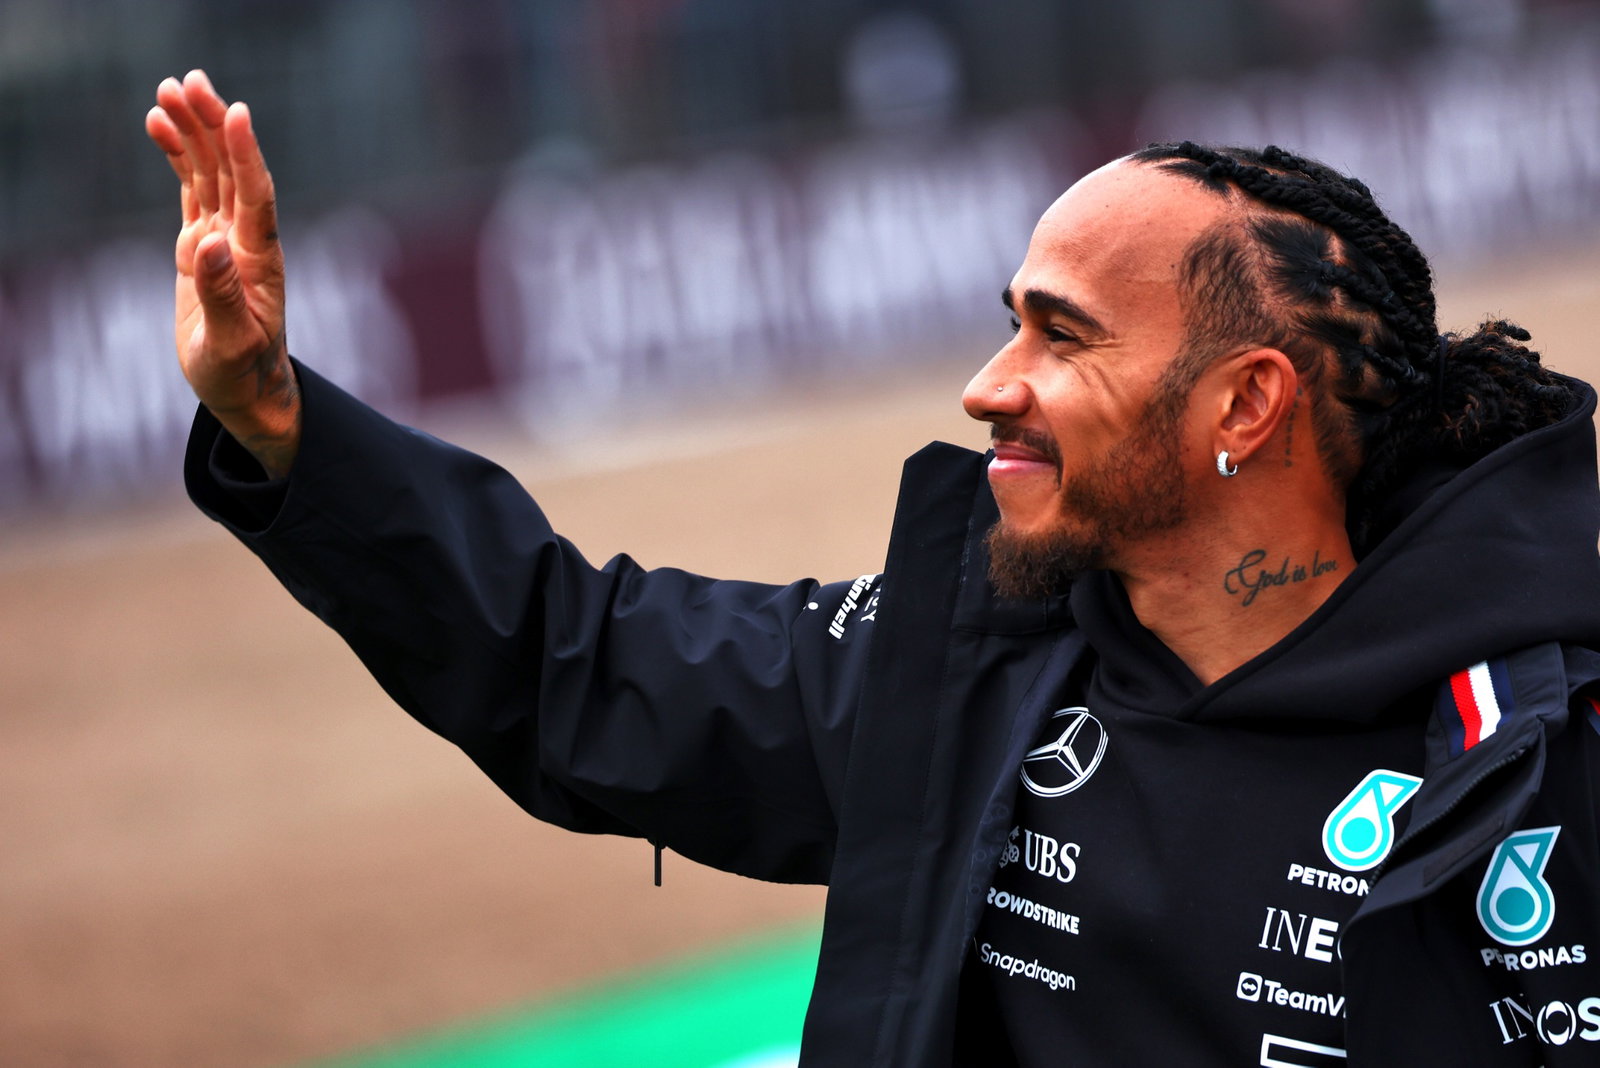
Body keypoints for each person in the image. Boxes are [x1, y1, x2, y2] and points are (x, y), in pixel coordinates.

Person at [148, 69, 1600, 1065]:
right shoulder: (970, 668)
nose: (988, 386)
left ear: (1246, 405)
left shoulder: (1541, 753)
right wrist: (285, 425)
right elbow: (576, 660)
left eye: (1062, 335)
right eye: (1010, 323)